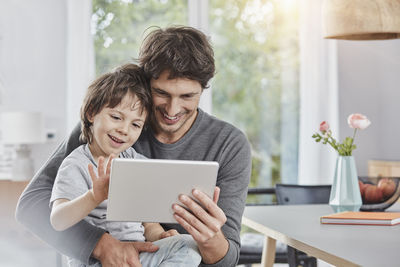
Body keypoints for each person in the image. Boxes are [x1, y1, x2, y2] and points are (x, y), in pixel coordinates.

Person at [16, 26, 251, 267]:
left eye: (187, 97)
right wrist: (102, 245)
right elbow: (31, 206)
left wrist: (210, 239)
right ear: (146, 83)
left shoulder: (229, 145)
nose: (172, 110)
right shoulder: (105, 127)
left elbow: (228, 258)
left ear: (203, 89)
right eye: (161, 93)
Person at [49, 63, 201, 267]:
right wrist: (94, 196)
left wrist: (161, 235)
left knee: (189, 245)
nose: (124, 129)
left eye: (135, 125)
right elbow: (58, 220)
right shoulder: (76, 164)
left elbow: (149, 223)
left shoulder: (134, 162)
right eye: (116, 117)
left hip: (137, 257)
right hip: (96, 261)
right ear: (91, 113)